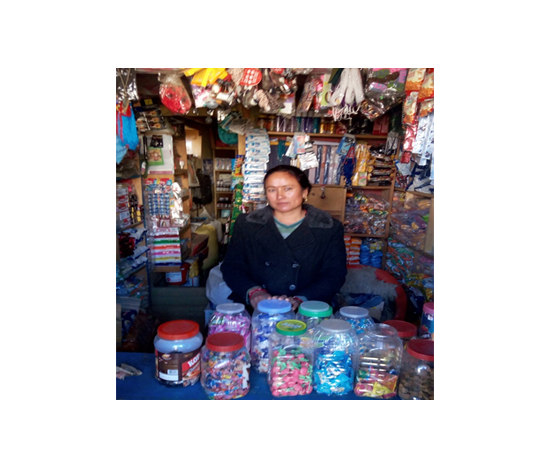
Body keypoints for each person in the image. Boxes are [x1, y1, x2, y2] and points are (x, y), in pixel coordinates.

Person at [220, 164, 347, 312]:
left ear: (305, 191)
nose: (280, 196)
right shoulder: (248, 224)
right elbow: (232, 266)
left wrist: (302, 299)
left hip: (308, 310)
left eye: (288, 189)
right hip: (255, 308)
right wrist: (254, 292)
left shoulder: (328, 228)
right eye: (272, 190)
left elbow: (334, 274)